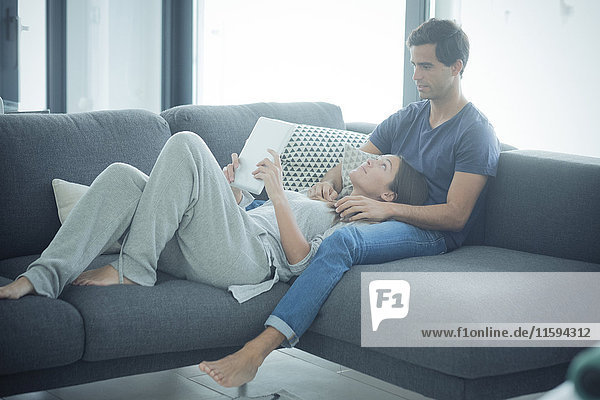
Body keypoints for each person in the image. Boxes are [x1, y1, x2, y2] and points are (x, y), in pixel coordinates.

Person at [199, 18, 501, 387]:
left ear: (456, 68)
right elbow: (349, 164)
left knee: (344, 240)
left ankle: (259, 350)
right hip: (392, 214)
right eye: (413, 65)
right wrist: (327, 184)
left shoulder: (476, 132)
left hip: (433, 231)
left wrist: (387, 208)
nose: (416, 76)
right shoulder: (408, 117)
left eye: (426, 66)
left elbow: (456, 216)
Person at [0, 130, 427, 301]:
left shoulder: (360, 228)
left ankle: (135, 268)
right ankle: (40, 277)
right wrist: (228, 192)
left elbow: (300, 263)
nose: (371, 160)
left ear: (389, 194)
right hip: (224, 239)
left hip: (251, 263)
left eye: (383, 165)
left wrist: (278, 193)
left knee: (187, 141)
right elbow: (252, 217)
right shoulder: (330, 200)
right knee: (122, 177)